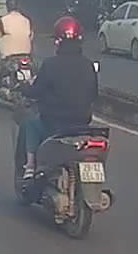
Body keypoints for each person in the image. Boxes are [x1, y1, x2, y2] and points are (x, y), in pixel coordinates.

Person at [18, 24, 98, 179]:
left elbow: (35, 91)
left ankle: (30, 166)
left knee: (30, 124)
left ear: (58, 42)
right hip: (82, 124)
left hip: (54, 123)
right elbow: (94, 94)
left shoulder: (50, 64)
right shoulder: (88, 65)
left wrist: (24, 88)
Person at [0, 0, 34, 89]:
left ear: (7, 7)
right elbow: (31, 36)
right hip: (26, 55)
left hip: (9, 56)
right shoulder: (27, 21)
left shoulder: (3, 21)